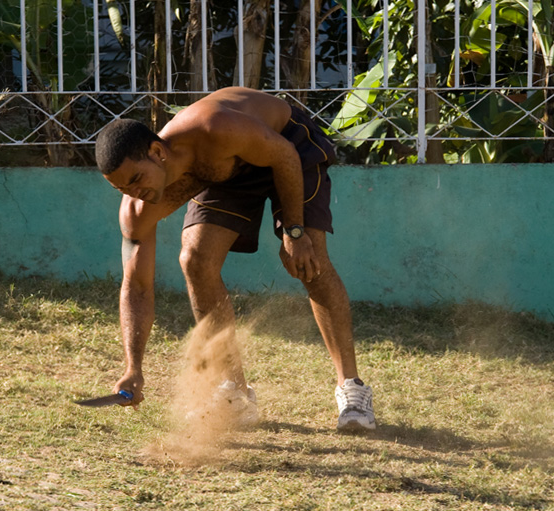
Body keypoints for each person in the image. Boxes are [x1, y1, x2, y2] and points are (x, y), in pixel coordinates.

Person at [94, 86, 375, 433]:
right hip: (226, 172)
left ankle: (352, 388)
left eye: (136, 179)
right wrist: (133, 366)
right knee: (196, 259)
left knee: (308, 261)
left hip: (285, 146)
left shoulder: (215, 129)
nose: (136, 194)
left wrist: (295, 232)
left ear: (157, 152)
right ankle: (236, 394)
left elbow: (284, 156)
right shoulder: (138, 209)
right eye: (123, 189)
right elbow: (136, 287)